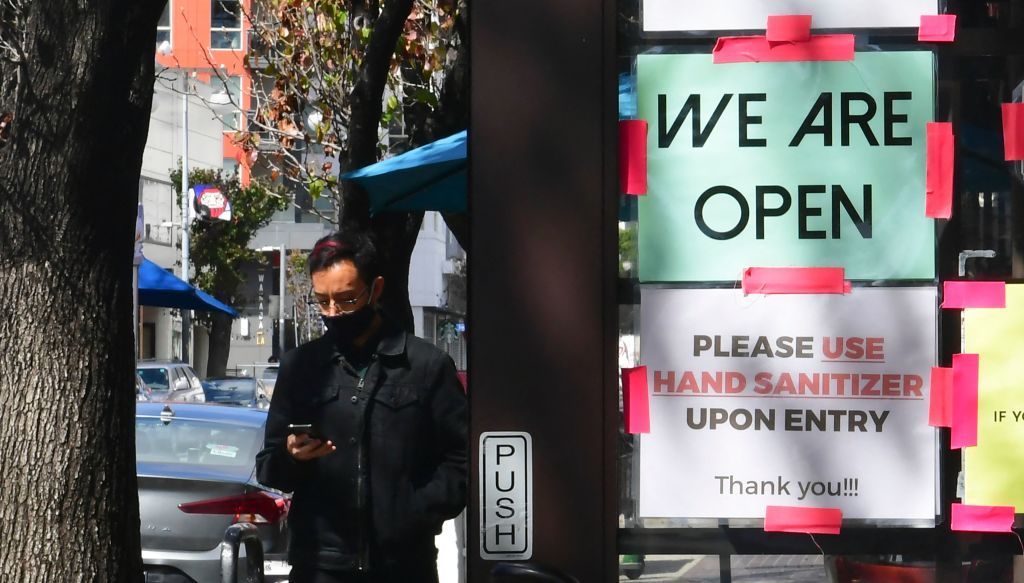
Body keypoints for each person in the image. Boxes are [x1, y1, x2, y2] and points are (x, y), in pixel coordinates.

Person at [255, 231, 468, 583]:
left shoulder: (427, 366)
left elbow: (461, 460)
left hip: (403, 565)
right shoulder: (301, 367)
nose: (334, 312)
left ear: (376, 289)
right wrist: (291, 456)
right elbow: (268, 469)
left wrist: (414, 510)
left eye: (347, 299)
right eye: (322, 301)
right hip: (319, 565)